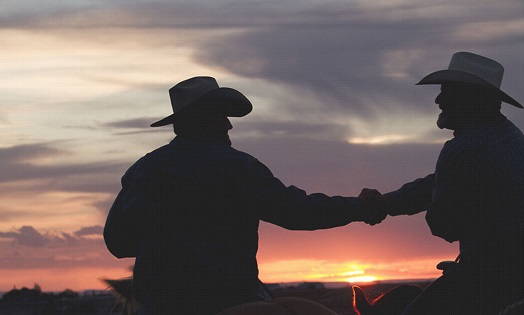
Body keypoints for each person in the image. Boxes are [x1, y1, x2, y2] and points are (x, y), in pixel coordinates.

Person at [103, 76, 386, 315]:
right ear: (209, 120)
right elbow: (299, 212)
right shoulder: (240, 168)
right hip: (230, 298)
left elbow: (117, 242)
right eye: (222, 116)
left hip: (160, 304)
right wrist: (361, 207)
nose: (229, 125)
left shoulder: (143, 170)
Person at [381, 52, 524, 314]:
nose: (438, 100)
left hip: (492, 278)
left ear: (469, 99)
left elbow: (443, 225)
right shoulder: (507, 135)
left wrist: (381, 207)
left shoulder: (462, 149)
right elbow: (442, 183)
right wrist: (389, 202)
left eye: (447, 93)